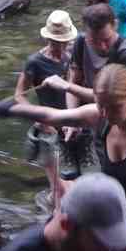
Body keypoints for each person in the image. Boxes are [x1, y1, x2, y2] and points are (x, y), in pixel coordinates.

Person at [14, 10, 84, 188]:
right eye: (55, 42)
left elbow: (74, 88)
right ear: (48, 39)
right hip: (49, 124)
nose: (59, 46)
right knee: (59, 181)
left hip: (71, 122)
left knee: (80, 175)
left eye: (63, 42)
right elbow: (19, 95)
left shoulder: (71, 56)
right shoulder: (34, 62)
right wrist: (40, 120)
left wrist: (77, 118)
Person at [67, 3, 126, 106]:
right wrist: (71, 115)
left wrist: (66, 86)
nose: (102, 46)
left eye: (106, 40)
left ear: (115, 25)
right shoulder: (81, 42)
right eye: (94, 41)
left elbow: (112, 97)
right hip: (91, 106)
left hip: (122, 110)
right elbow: (75, 81)